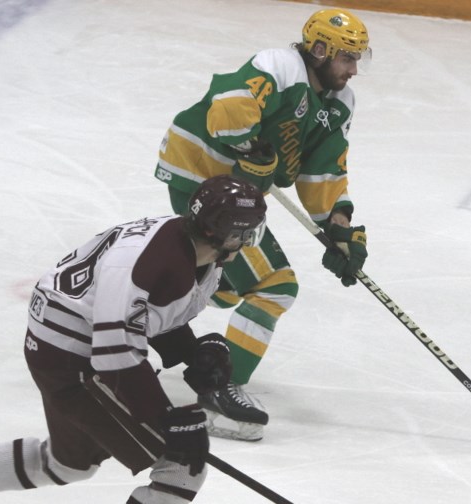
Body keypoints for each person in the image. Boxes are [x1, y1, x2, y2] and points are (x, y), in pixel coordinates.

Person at [0, 175, 268, 504]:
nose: (251, 239)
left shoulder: (193, 253)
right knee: (184, 462)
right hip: (74, 355)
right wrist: (163, 419)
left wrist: (192, 353)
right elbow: (114, 352)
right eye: (247, 232)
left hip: (69, 342)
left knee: (68, 465)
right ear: (226, 232)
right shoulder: (148, 259)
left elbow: (140, 317)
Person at [153, 8, 371, 441]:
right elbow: (228, 106)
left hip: (235, 193)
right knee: (274, 286)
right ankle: (217, 389)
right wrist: (253, 149)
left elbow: (324, 170)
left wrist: (341, 228)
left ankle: (128, 309)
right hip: (202, 177)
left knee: (226, 286)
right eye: (347, 58)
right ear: (320, 50)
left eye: (358, 59)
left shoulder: (339, 103)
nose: (353, 70)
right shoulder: (280, 66)